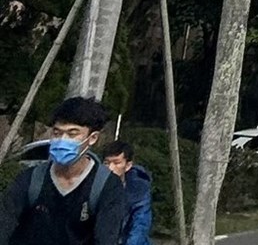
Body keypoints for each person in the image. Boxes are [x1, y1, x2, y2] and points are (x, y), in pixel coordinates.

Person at [0, 95, 127, 245]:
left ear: (92, 138)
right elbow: (5, 222)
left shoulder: (107, 187)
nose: (62, 140)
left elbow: (106, 238)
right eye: (57, 133)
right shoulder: (31, 180)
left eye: (72, 134)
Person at [98, 145, 149, 245]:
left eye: (117, 163)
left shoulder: (138, 190)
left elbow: (140, 224)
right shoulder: (95, 186)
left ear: (128, 165)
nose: (110, 168)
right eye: (106, 163)